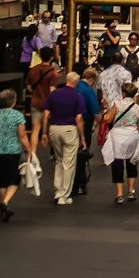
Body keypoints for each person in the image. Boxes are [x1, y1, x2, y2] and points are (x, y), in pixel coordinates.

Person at [0, 88, 28, 222]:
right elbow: (22, 135)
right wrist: (29, 149)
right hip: (13, 151)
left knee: (3, 180)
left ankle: (5, 209)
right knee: (15, 181)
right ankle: (5, 203)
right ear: (13, 102)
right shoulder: (18, 116)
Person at [44, 68, 86, 207]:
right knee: (69, 163)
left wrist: (45, 132)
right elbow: (79, 118)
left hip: (54, 128)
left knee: (59, 160)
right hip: (69, 129)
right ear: (76, 82)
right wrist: (83, 137)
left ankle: (57, 190)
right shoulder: (77, 96)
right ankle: (64, 194)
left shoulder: (54, 94)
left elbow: (46, 114)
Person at [102, 86, 139, 204]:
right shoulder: (138, 108)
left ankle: (119, 194)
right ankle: (131, 191)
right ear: (134, 95)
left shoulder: (117, 104)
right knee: (131, 163)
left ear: (123, 93)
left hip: (118, 136)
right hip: (132, 135)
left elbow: (108, 119)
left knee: (117, 163)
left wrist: (106, 112)